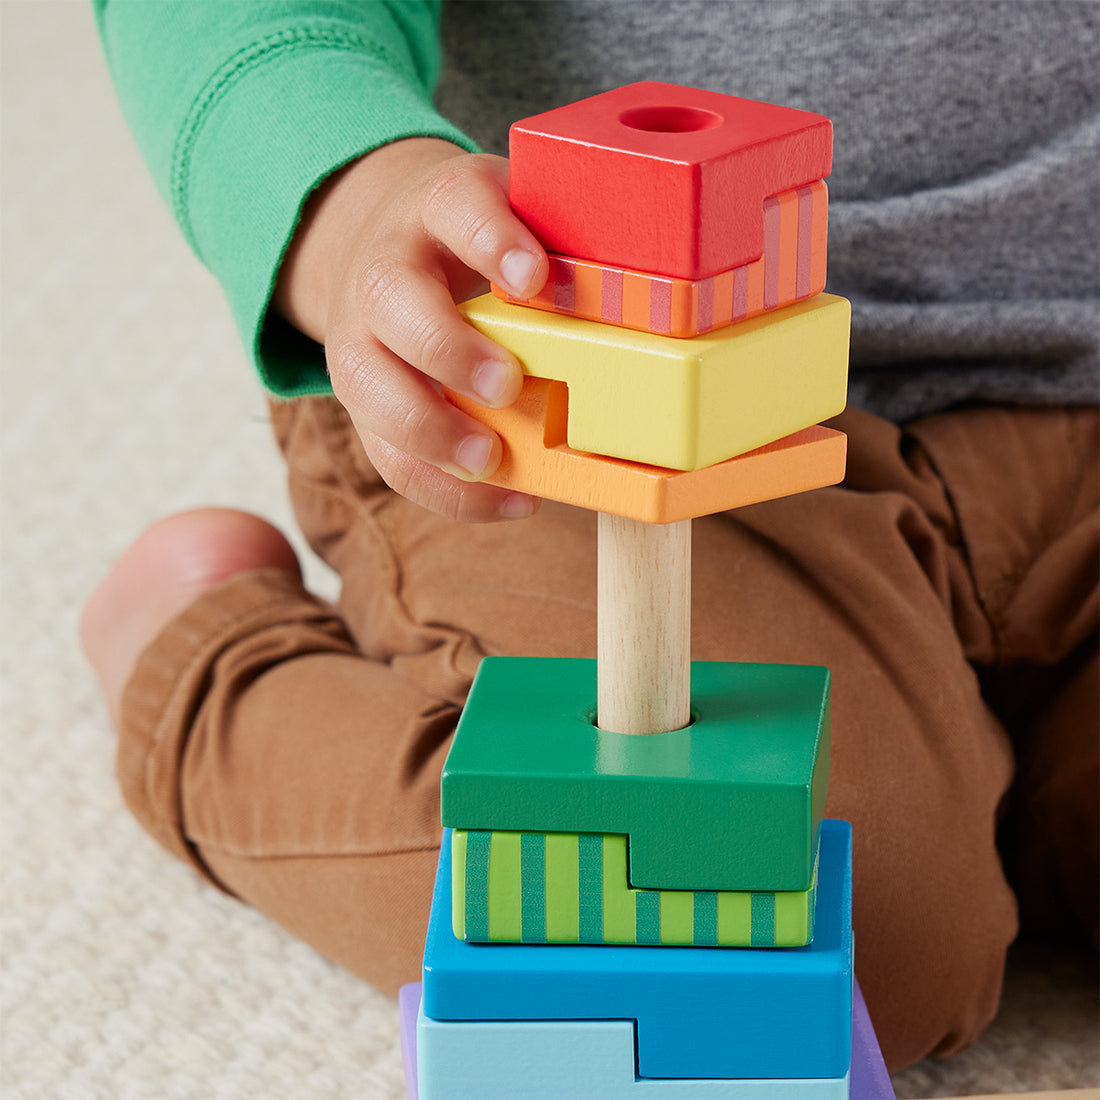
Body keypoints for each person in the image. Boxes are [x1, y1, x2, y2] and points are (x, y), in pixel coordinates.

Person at [81, 0, 1098, 1072]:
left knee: (831, 893)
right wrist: (356, 199)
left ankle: (982, 767)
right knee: (770, 943)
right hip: (543, 404)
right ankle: (207, 666)